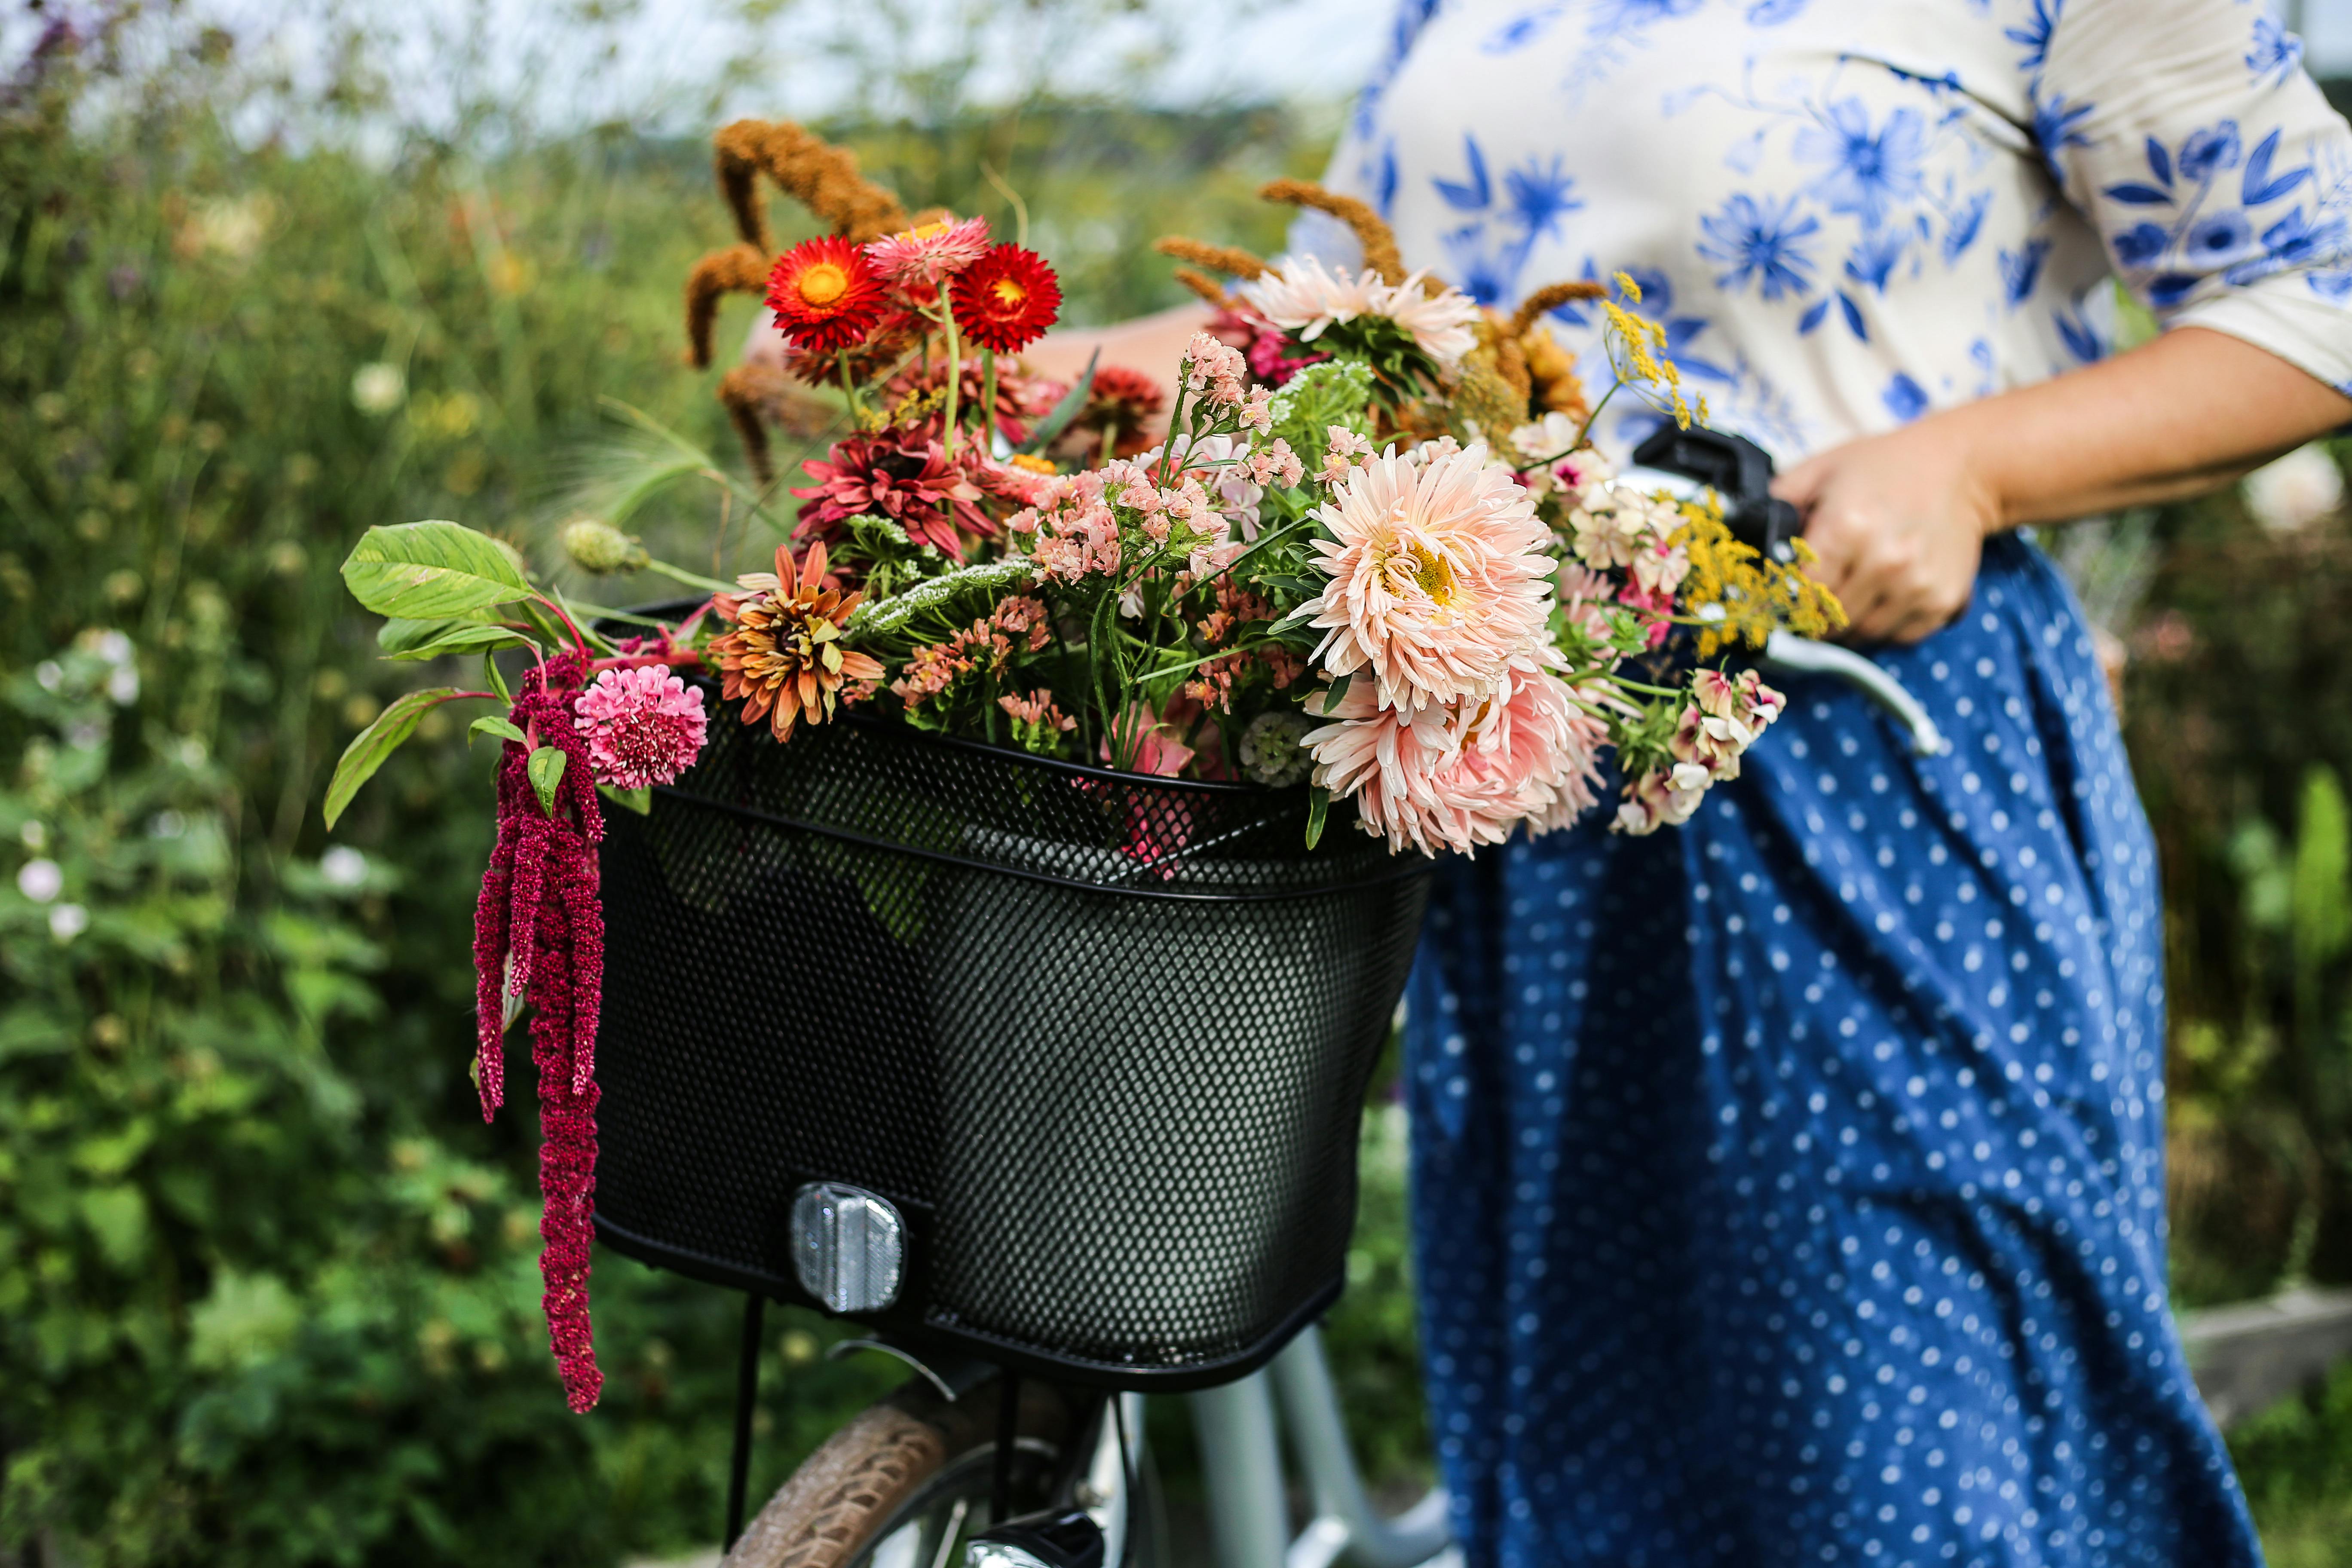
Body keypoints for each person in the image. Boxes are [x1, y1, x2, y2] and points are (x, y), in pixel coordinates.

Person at [1281, 3, 2351, 1565]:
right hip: (1537, 782)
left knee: (1915, 1435)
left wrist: (1972, 466)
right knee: (1599, 1445)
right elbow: (1365, 326)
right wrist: (987, 340)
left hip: (1867, 740)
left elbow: (2319, 293)